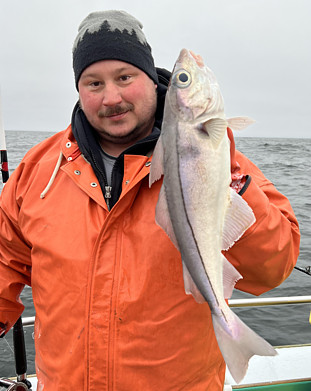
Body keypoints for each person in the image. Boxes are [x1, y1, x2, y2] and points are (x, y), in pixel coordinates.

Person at [0, 10, 300, 391]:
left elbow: (275, 265)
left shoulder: (223, 161)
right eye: (93, 83)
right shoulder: (37, 169)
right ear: (78, 89)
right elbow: (5, 258)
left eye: (125, 78)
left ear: (150, 76)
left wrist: (225, 177)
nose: (111, 98)